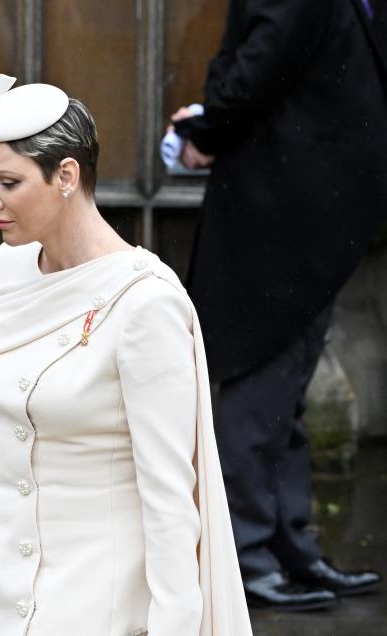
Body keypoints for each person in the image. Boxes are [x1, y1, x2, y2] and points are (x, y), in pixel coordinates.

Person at [0, 75, 253, 635]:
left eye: (7, 182)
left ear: (66, 175)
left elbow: (171, 505)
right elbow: (19, 430)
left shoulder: (147, 305)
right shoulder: (10, 266)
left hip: (105, 614)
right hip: (10, 606)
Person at [171, 0, 385, 611]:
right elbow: (261, 69)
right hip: (299, 208)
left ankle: (274, 550)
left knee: (273, 387)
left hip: (302, 209)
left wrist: (204, 127)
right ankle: (264, 554)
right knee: (267, 387)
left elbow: (258, 69)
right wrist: (205, 126)